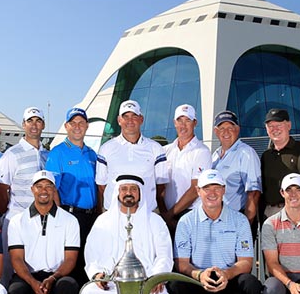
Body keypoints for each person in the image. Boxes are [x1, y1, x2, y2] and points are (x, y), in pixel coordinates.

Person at [45, 107, 98, 284]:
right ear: (66, 126)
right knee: (72, 265)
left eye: (81, 123)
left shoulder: (92, 153)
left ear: (87, 126)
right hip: (71, 214)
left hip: (92, 216)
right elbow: (52, 189)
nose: (77, 127)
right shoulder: (57, 152)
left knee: (91, 260)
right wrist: (61, 216)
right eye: (73, 123)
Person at [0, 106, 48, 285]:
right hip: (17, 219)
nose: (34, 125)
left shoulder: (47, 155)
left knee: (34, 268)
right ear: (23, 125)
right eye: (30, 121)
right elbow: (2, 190)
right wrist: (10, 213)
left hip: (40, 222)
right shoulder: (11, 154)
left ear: (43, 125)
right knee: (8, 270)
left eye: (38, 121)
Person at [95, 100, 168, 213]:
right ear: (119, 120)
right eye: (125, 117)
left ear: (141, 119)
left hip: (147, 213)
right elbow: (101, 185)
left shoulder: (156, 148)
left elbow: (161, 186)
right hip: (114, 214)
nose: (130, 121)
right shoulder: (106, 148)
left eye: (134, 116)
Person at [261, 108, 300, 217]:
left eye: (279, 125)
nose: (275, 129)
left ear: (289, 126)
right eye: (271, 126)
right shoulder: (266, 156)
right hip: (271, 215)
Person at [161, 104, 212, 235]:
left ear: (195, 123)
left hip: (191, 216)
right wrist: (164, 215)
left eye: (187, 120)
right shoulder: (165, 151)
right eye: (179, 120)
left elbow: (196, 189)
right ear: (174, 122)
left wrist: (169, 215)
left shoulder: (202, 151)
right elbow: (159, 186)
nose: (183, 125)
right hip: (166, 214)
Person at [211, 110, 261, 227]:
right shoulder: (215, 155)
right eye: (222, 128)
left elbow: (253, 193)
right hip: (217, 220)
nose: (226, 132)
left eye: (230, 127)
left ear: (237, 130)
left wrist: (245, 227)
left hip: (237, 219)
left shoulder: (246, 153)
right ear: (216, 132)